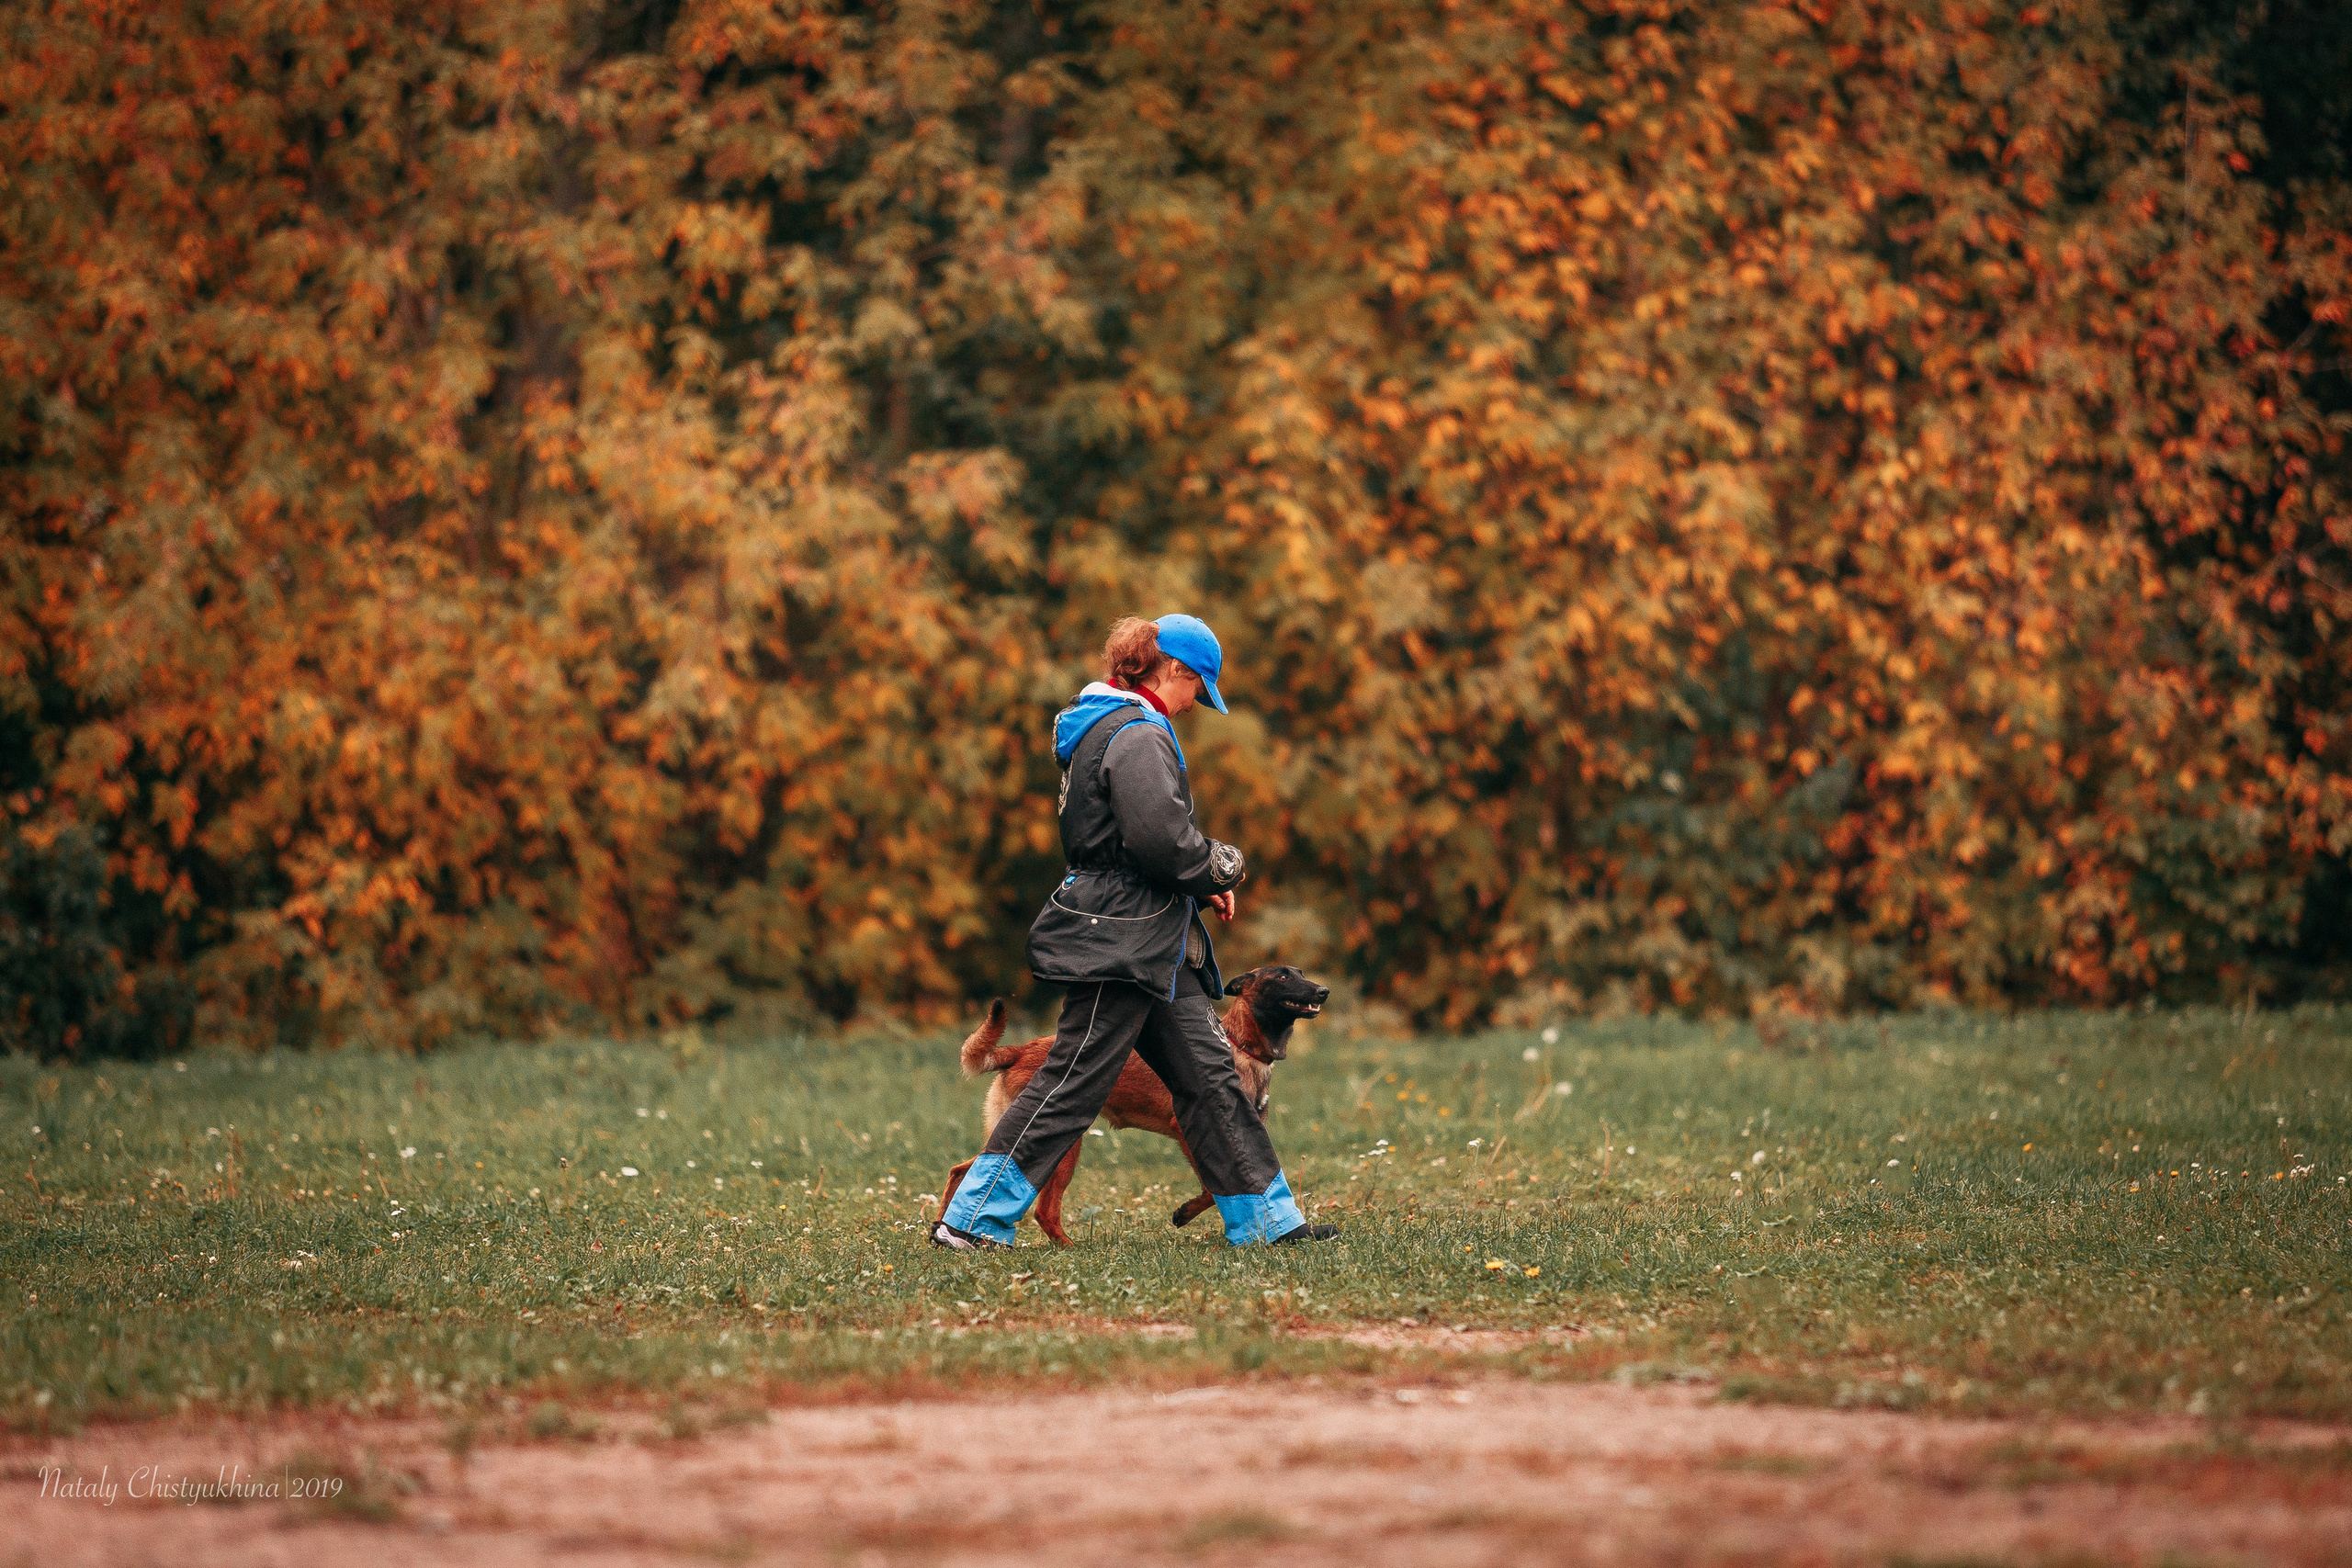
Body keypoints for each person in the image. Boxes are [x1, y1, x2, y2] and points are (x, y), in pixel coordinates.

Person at [932, 614, 1339, 1249]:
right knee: (1072, 1080)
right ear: (1173, 668)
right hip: (1119, 941)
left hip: (1151, 942)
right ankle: (970, 1220)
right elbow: (1162, 841)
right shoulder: (1137, 734)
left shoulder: (1106, 728)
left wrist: (1193, 882)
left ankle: (1268, 1224)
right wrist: (1222, 863)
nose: (1193, 705)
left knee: (1211, 1078)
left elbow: (1135, 844)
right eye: (1197, 690)